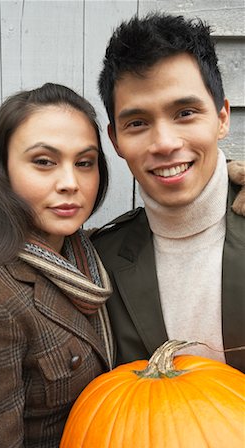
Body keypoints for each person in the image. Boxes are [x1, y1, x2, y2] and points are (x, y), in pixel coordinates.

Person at [0, 83, 114, 448]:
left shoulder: (88, 260)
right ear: (2, 170)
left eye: (84, 163)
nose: (70, 183)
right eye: (44, 162)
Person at [92, 12, 245, 373]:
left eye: (185, 112)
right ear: (115, 140)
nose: (164, 143)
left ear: (222, 117)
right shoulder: (100, 262)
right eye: (138, 123)